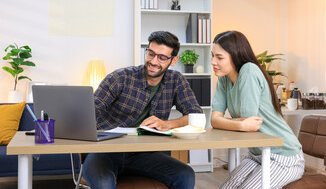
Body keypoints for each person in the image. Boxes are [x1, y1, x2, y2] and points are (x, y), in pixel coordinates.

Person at [83, 31, 203, 189]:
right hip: (105, 152)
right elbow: (88, 111)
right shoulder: (120, 78)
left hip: (144, 155)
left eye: (162, 57)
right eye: (151, 54)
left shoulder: (176, 80)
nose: (154, 61)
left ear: (173, 60)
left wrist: (169, 124)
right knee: (104, 183)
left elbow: (196, 116)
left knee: (186, 174)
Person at [210, 31, 304, 189]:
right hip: (256, 156)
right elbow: (214, 120)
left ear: (236, 55)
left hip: (284, 157)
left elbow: (250, 124)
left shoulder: (249, 70)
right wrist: (239, 124)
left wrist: (226, 122)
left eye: (219, 57)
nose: (213, 62)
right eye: (212, 56)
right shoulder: (223, 79)